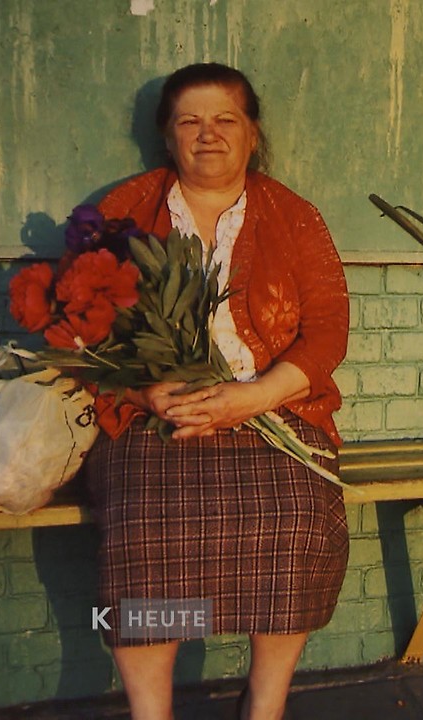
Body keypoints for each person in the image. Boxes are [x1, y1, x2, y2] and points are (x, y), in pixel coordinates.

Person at [85, 63, 350, 720]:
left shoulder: (293, 217)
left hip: (270, 411)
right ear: (168, 137)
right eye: (190, 122)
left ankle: (263, 705)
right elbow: (81, 328)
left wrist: (254, 397)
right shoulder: (123, 213)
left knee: (299, 521)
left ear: (252, 134)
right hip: (155, 420)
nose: (209, 135)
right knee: (144, 534)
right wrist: (148, 393)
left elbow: (326, 334)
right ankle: (153, 712)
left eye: (225, 120)